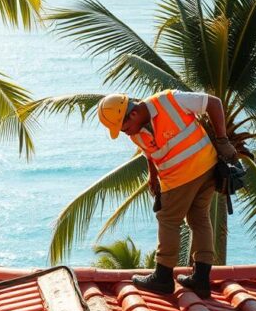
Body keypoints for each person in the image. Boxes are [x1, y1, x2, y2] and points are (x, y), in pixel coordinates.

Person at [96, 90, 238, 298]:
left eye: (124, 127)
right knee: (199, 218)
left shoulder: (169, 100)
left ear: (133, 114)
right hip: (206, 168)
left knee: (168, 220)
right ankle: (201, 279)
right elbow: (150, 152)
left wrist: (223, 139)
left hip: (184, 176)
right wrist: (152, 177)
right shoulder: (136, 132)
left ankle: (163, 277)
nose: (125, 133)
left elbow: (214, 103)